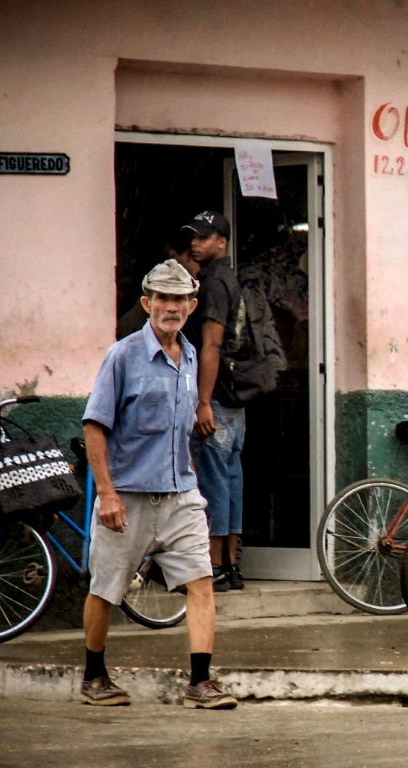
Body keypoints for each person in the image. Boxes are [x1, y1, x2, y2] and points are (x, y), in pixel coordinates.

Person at [80, 259, 236, 709]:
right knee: (106, 587)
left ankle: (201, 683)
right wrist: (107, 493)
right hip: (126, 495)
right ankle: (94, 676)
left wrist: (186, 474)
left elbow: (180, 426)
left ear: (192, 305)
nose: (171, 307)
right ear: (147, 303)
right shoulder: (123, 355)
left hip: (180, 493)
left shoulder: (189, 356)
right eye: (162, 298)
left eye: (179, 299)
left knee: (201, 581)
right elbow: (95, 426)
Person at [182, 211, 246, 592]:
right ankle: (231, 566)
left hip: (217, 401)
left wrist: (201, 401)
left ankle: (216, 566)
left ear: (221, 242)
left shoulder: (215, 284)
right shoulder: (227, 279)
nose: (195, 243)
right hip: (232, 404)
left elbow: (212, 344)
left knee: (214, 484)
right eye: (193, 237)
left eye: (204, 237)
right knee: (231, 480)